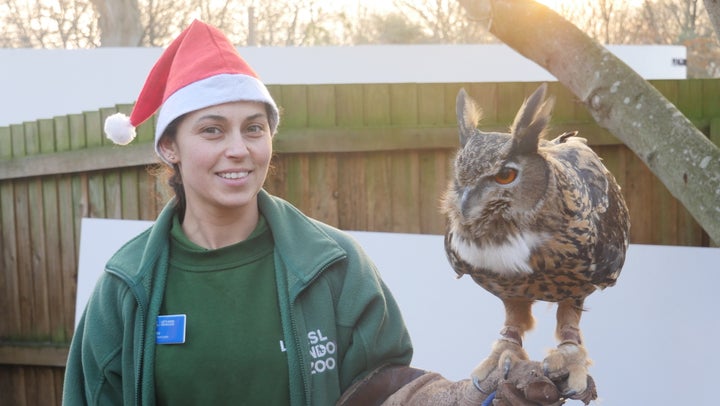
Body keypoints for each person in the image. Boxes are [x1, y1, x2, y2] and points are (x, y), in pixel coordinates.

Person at [62, 20, 570, 406]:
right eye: (213, 130)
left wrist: (464, 397)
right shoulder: (126, 288)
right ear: (169, 147)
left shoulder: (334, 265)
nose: (239, 149)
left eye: (254, 128)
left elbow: (382, 391)